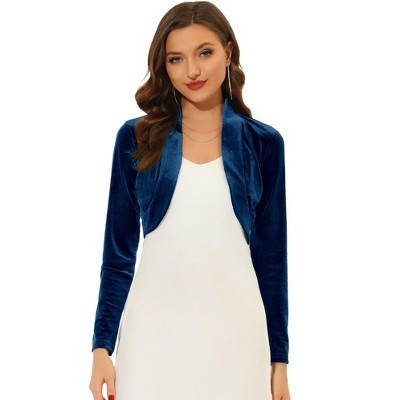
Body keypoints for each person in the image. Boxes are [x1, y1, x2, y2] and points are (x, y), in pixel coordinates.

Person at [89, 2, 290, 399]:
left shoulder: (263, 144)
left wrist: (279, 362)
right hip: (151, 341)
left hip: (238, 342)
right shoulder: (136, 139)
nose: (192, 71)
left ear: (228, 53)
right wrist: (101, 348)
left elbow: (271, 259)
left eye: (205, 53)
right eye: (176, 59)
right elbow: (118, 256)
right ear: (164, 66)